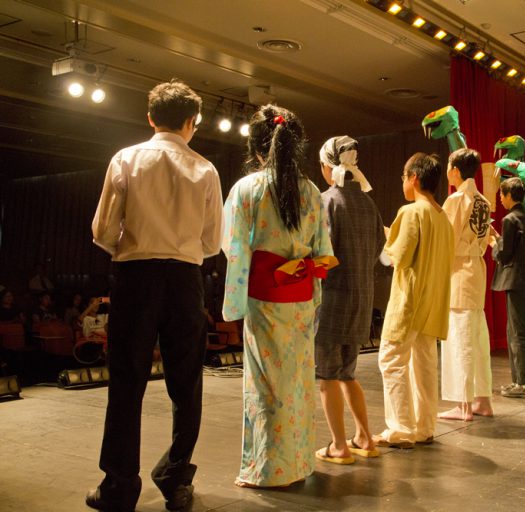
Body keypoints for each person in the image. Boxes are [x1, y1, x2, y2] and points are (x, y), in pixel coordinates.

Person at [88, 80, 223, 512]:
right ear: (192, 123)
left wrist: (133, 248)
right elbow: (213, 242)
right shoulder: (205, 169)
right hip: (185, 280)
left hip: (135, 276)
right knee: (187, 384)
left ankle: (120, 487)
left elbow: (102, 231)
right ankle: (175, 478)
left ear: (150, 117)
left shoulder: (125, 158)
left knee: (126, 383)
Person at [222, 105, 335, 487]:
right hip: (300, 297)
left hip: (265, 297)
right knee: (298, 381)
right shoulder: (311, 191)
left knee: (266, 384)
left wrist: (234, 304)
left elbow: (234, 249)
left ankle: (268, 469)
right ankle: (300, 463)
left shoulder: (247, 189)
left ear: (256, 147)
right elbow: (322, 247)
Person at [313, 135, 385, 464]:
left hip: (332, 300)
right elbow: (376, 253)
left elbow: (323, 257)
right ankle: (364, 437)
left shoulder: (327, 200)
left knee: (327, 375)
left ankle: (339, 446)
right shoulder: (368, 203)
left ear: (329, 167)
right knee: (348, 373)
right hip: (362, 297)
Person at [374, 153, 453, 449]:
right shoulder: (443, 217)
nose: (403, 182)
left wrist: (383, 239)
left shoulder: (410, 212)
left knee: (392, 361)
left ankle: (400, 429)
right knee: (424, 365)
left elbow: (398, 257)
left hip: (410, 299)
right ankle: (423, 427)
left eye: (404, 176)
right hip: (434, 301)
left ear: (414, 178)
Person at [438, 148, 494, 420]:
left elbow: (446, 239)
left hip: (460, 271)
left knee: (460, 339)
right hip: (477, 269)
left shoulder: (457, 198)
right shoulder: (482, 199)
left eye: (449, 166)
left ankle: (463, 405)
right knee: (477, 339)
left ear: (456, 170)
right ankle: (482, 400)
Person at [491, 177, 525, 398]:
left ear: (509, 195)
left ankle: (524, 384)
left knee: (517, 332)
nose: (500, 199)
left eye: (502, 195)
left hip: (516, 281)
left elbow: (505, 253)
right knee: (519, 331)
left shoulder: (509, 219)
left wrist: (494, 245)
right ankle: (520, 380)